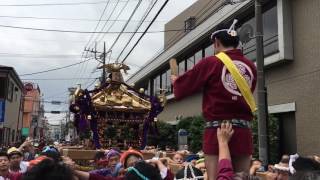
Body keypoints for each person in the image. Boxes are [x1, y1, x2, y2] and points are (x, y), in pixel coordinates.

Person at [171, 20, 257, 180]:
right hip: (243, 132)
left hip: (217, 130)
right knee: (242, 177)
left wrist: (176, 81)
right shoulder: (251, 66)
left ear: (216, 42)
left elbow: (181, 90)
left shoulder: (211, 62)